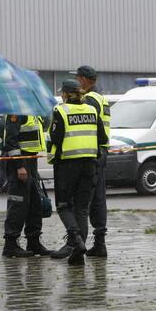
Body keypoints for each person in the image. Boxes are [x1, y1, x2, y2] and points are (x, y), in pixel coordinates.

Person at [48, 79, 108, 265]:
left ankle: (75, 240)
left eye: (61, 93)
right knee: (82, 209)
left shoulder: (61, 111)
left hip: (67, 165)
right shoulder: (91, 110)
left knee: (64, 206)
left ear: (65, 94)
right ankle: (77, 253)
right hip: (90, 164)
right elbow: (102, 138)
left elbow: (55, 138)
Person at [0, 113, 51, 257]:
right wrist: (19, 166)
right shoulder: (16, 112)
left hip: (30, 161)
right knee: (18, 205)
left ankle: (34, 242)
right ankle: (10, 245)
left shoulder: (32, 113)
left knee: (34, 205)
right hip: (20, 163)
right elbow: (11, 141)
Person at [75, 65, 110, 258]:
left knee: (86, 200)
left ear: (85, 80)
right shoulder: (101, 98)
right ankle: (99, 243)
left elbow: (91, 128)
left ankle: (81, 242)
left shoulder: (88, 100)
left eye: (79, 79)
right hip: (101, 152)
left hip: (92, 153)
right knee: (98, 198)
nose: (77, 83)